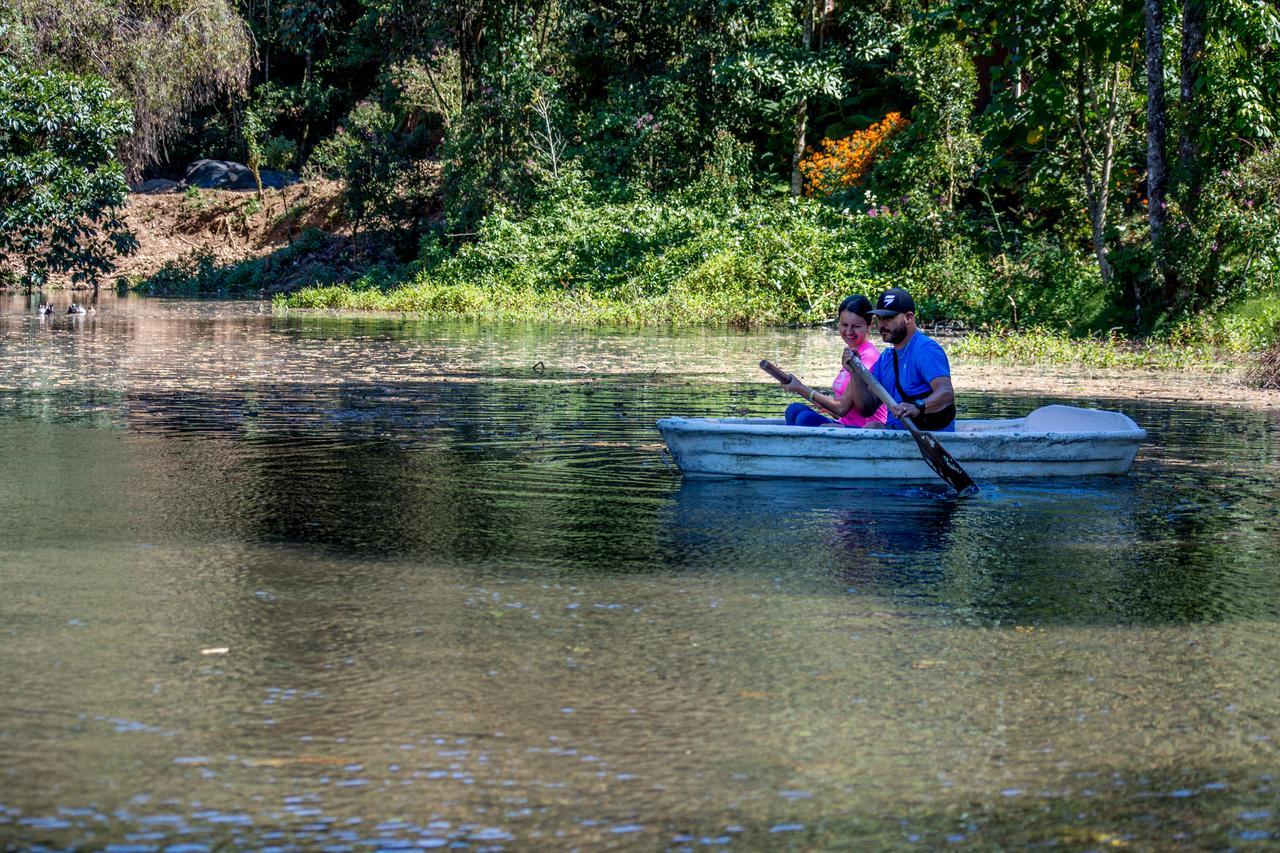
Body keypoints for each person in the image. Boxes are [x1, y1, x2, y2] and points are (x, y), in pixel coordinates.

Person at [843, 286, 957, 431]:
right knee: (829, 425)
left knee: (873, 427)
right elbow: (867, 408)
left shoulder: (925, 349)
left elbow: (946, 393)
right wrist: (855, 373)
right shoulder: (886, 358)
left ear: (908, 317)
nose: (882, 324)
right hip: (898, 432)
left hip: (930, 436)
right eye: (880, 318)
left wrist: (917, 407)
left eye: (889, 318)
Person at [781, 294, 888, 428]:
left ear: (869, 325)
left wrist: (800, 387)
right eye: (844, 324)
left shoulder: (868, 357)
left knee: (804, 419)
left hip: (862, 429)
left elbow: (841, 408)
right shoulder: (851, 353)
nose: (849, 331)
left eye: (856, 326)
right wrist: (800, 389)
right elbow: (837, 413)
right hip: (842, 424)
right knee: (794, 410)